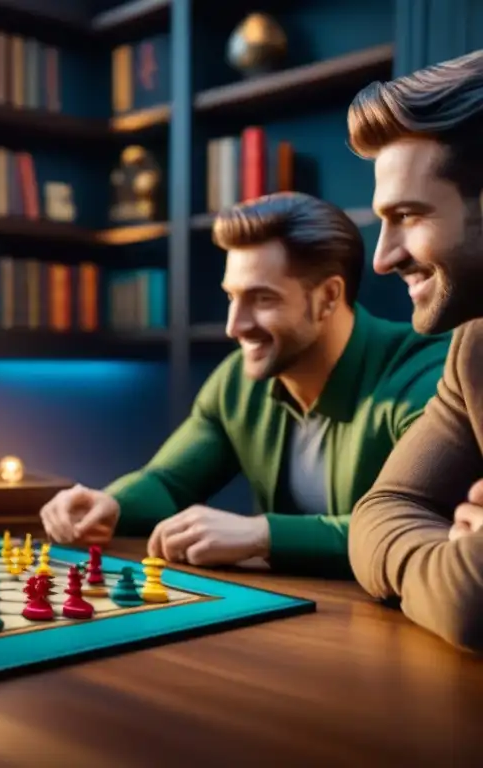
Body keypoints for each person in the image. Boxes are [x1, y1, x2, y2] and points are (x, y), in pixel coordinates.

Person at [39, 192, 451, 577]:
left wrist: (261, 534)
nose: (235, 326)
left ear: (328, 297)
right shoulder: (238, 380)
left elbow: (418, 525)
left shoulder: (425, 376)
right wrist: (110, 505)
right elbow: (168, 481)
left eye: (262, 299)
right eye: (232, 297)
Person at [346, 51, 483, 650]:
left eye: (407, 215)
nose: (381, 258)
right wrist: (444, 555)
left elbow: (469, 605)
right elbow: (380, 511)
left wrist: (461, 570)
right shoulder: (473, 347)